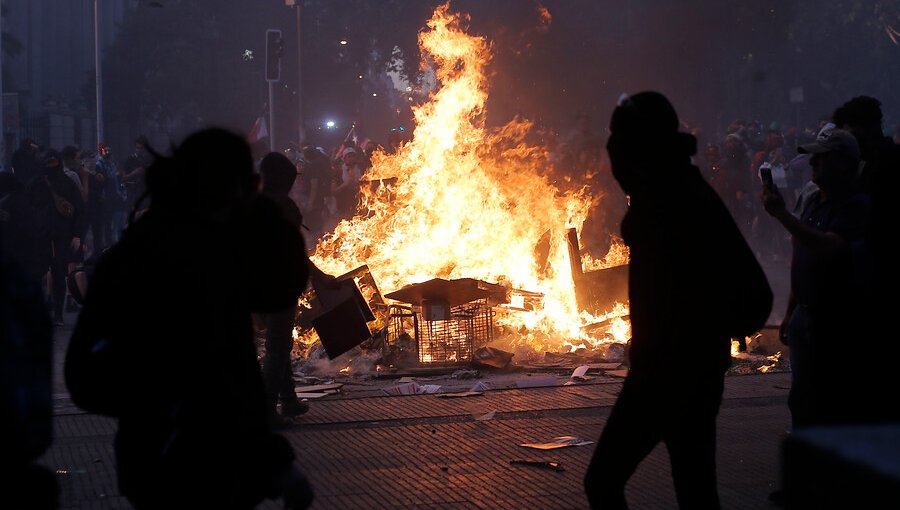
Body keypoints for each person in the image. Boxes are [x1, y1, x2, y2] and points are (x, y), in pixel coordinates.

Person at [64, 128, 314, 509]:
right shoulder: (159, 255)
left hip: (184, 462)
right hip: (172, 460)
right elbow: (85, 375)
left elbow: (276, 293)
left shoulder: (208, 249)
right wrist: (165, 408)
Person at [583, 92, 772, 510]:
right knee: (696, 492)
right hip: (690, 372)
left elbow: (717, 288)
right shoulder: (675, 189)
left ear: (641, 148)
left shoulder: (676, 201)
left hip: (667, 375)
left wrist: (676, 343)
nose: (615, 165)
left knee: (604, 482)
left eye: (621, 148)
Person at [761, 127, 869, 428]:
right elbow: (803, 253)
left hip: (836, 320)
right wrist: (791, 311)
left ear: (844, 163)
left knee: (832, 401)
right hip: (805, 318)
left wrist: (781, 215)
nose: (813, 164)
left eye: (821, 158)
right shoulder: (812, 201)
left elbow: (831, 248)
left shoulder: (855, 205)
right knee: (801, 400)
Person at [259, 152, 311, 425]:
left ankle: (288, 400)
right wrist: (321, 279)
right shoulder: (284, 207)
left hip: (256, 285)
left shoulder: (251, 204)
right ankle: (267, 411)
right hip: (279, 284)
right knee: (277, 348)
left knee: (280, 344)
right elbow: (293, 251)